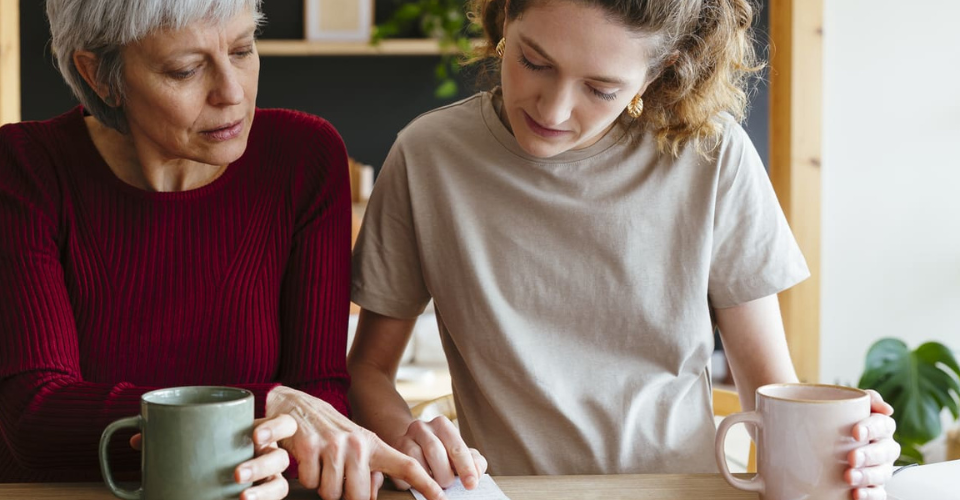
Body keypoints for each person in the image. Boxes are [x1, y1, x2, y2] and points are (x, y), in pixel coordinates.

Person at [347, 1, 900, 499]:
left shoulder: (712, 156)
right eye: (534, 62)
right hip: (502, 493)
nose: (555, 110)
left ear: (658, 72)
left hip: (682, 491)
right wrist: (410, 439)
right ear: (504, 19)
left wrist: (850, 454)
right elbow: (369, 368)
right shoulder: (428, 156)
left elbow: (769, 389)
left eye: (600, 88)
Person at [0, 1, 443, 499]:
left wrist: (283, 424)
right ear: (99, 75)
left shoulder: (304, 158)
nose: (232, 93)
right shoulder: (24, 168)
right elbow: (37, 419)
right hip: (51, 491)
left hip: (239, 490)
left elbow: (319, 393)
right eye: (186, 69)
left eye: (242, 49)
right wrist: (269, 404)